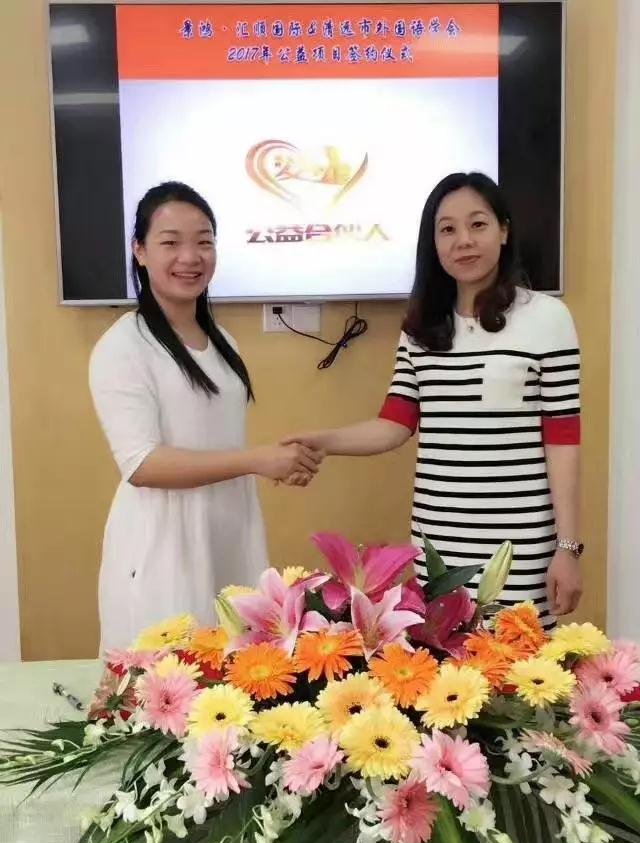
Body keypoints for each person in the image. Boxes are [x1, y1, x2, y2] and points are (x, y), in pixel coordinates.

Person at [285, 172, 582, 628]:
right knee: (444, 664)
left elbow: (562, 441)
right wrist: (321, 441)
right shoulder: (420, 327)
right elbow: (394, 424)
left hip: (520, 545)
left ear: (503, 231)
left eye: (478, 224)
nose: (464, 241)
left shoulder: (547, 319)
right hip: (439, 541)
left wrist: (568, 548)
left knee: (521, 663)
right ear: (434, 243)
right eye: (447, 229)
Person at [90, 181, 322, 650]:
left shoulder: (222, 342)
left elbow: (220, 442)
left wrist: (279, 462)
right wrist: (257, 460)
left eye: (204, 241)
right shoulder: (123, 346)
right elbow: (142, 464)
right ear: (139, 251)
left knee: (238, 676)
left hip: (229, 531)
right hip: (162, 547)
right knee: (167, 683)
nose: (190, 257)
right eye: (170, 242)